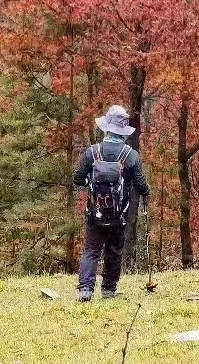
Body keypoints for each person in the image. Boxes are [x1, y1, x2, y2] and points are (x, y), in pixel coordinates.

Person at [73, 104, 149, 302]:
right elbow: (141, 185)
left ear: (106, 128)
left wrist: (90, 182)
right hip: (119, 213)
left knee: (91, 249)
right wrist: (145, 192)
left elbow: (77, 178)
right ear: (122, 131)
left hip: (95, 211)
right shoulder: (130, 155)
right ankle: (108, 290)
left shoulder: (92, 152)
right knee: (114, 249)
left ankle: (85, 290)